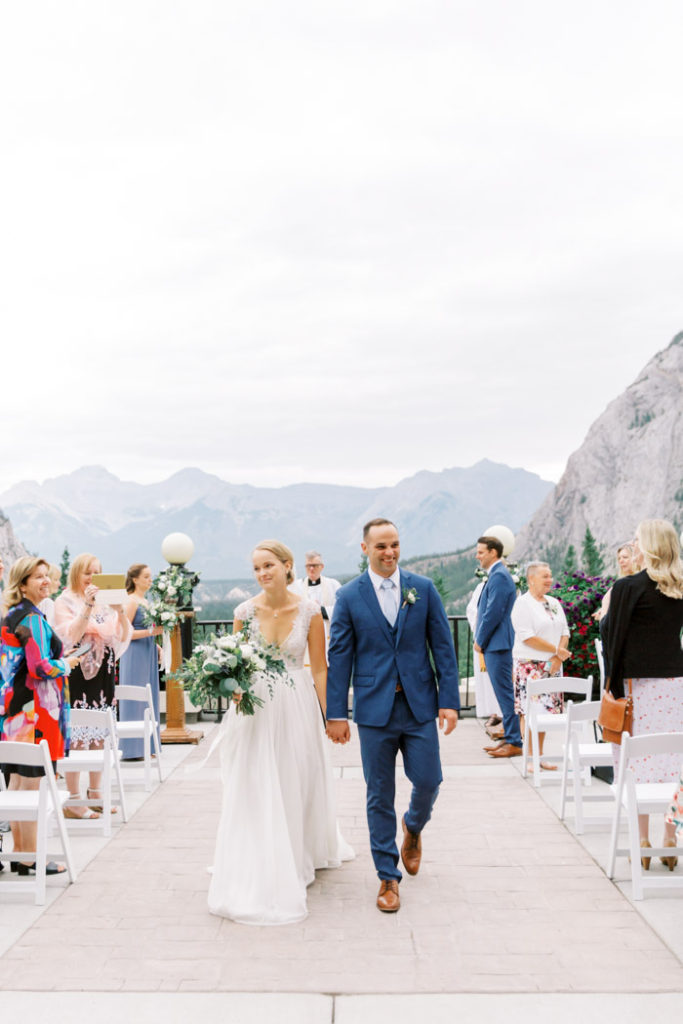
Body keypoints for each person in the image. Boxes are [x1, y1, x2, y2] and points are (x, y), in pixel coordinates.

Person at [208, 539, 353, 925]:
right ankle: (257, 851)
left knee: (295, 775)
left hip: (295, 701)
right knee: (253, 778)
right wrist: (231, 688)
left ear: (287, 566)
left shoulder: (310, 610)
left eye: (268, 565)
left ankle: (296, 849)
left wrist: (332, 715)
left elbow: (319, 668)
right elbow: (233, 664)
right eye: (256, 568)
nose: (262, 574)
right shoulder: (243, 612)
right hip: (253, 707)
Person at [326, 518, 459, 914]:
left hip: (418, 705)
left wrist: (448, 701)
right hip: (373, 710)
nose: (390, 553)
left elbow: (443, 648)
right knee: (378, 794)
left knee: (430, 780)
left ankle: (413, 827)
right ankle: (387, 876)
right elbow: (340, 657)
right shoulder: (349, 596)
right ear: (365, 549)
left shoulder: (423, 588)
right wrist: (337, 714)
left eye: (395, 545)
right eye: (381, 546)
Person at [602, 518, 683, 865]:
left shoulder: (628, 588)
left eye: (636, 540)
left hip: (639, 689)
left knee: (638, 761)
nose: (632, 546)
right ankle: (670, 836)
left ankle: (645, 842)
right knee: (673, 760)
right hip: (677, 685)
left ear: (648, 545)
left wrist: (612, 687)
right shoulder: (680, 587)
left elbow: (612, 639)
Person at [0, 557, 79, 874]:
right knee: (31, 784)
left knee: (18, 784)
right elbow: (40, 667)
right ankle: (30, 856)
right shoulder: (31, 619)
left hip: (14, 709)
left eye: (47, 576)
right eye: (38, 577)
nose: (46, 581)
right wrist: (67, 664)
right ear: (22, 584)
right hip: (35, 710)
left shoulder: (10, 615)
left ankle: (23, 853)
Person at [54, 553, 131, 818]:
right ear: (76, 573)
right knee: (77, 735)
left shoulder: (106, 604)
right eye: (87, 572)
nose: (91, 578)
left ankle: (96, 793)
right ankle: (73, 798)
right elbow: (70, 635)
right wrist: (87, 606)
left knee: (100, 734)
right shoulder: (63, 601)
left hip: (104, 673)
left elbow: (120, 636)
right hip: (77, 674)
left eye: (97, 572)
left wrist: (119, 611)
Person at [511, 562, 571, 770]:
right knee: (528, 710)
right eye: (545, 576)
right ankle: (529, 757)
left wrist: (557, 658)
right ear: (531, 579)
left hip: (552, 664)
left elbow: (565, 631)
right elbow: (527, 636)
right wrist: (556, 650)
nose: (549, 580)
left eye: (550, 575)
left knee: (545, 711)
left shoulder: (553, 602)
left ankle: (541, 754)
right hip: (529, 664)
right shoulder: (523, 603)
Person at [474, 536, 523, 758]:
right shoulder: (497, 575)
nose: (478, 556)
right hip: (497, 644)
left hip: (498, 644)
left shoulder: (500, 576)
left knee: (505, 694)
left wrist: (480, 640)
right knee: (503, 693)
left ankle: (514, 741)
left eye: (481, 552)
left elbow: (493, 612)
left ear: (493, 552)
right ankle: (508, 737)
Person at [118, 564, 163, 761]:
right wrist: (151, 633)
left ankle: (148, 745)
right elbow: (124, 633)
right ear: (135, 579)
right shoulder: (131, 601)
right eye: (146, 576)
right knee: (135, 696)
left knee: (149, 695)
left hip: (148, 651)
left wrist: (157, 645)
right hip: (135, 653)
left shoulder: (145, 600)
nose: (149, 580)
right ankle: (132, 748)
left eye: (150, 576)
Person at [290, 550, 341, 654]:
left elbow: (341, 609)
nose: (311, 569)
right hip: (305, 637)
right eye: (308, 566)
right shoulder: (297, 587)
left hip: (328, 636)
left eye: (315, 565)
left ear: (322, 566)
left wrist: (320, 610)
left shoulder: (333, 585)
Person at [466, 579, 502, 724]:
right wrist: (481, 628)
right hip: (484, 639)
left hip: (503, 640)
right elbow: (471, 609)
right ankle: (493, 712)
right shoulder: (481, 587)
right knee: (487, 679)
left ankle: (507, 714)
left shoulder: (510, 585)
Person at [593, 543, 637, 623]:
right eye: (619, 558)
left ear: (634, 558)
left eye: (625, 557)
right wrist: (604, 611)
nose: (621, 561)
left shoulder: (639, 581)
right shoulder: (621, 582)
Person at [37, 563, 62, 629]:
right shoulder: (48, 603)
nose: (59, 584)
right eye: (56, 579)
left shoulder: (39, 602)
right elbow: (51, 630)